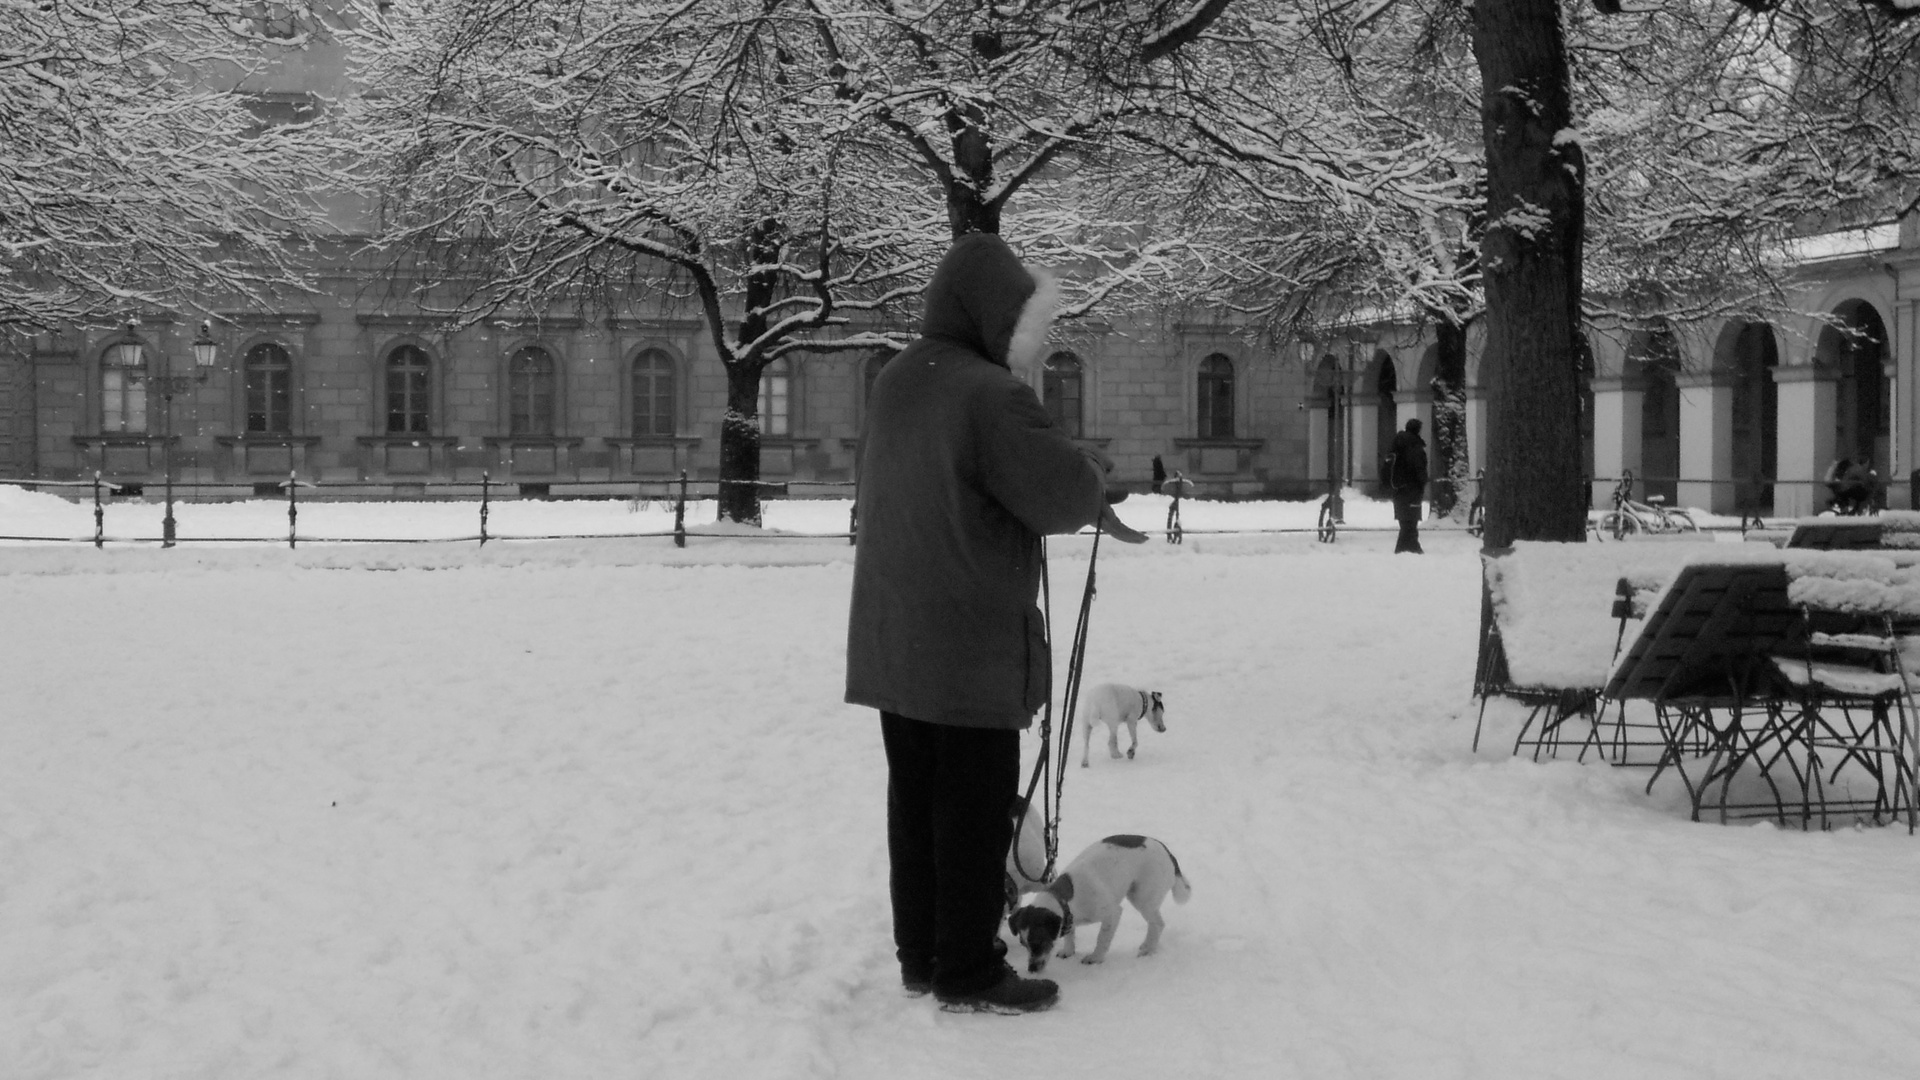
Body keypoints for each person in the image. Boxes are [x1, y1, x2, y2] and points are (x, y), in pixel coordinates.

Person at [845, 233, 1146, 1015]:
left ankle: (923, 956)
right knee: (973, 812)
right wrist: (1090, 476)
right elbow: (1054, 491)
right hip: (968, 643)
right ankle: (969, 969)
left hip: (893, 638)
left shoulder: (899, 379)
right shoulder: (989, 393)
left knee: (915, 802)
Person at [1387, 418, 1429, 553]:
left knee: (1404, 517)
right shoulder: (1414, 446)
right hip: (1412, 487)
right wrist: (1423, 480)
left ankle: (1408, 545)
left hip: (1398, 486)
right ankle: (1408, 546)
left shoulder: (1397, 443)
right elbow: (1418, 467)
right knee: (1411, 518)